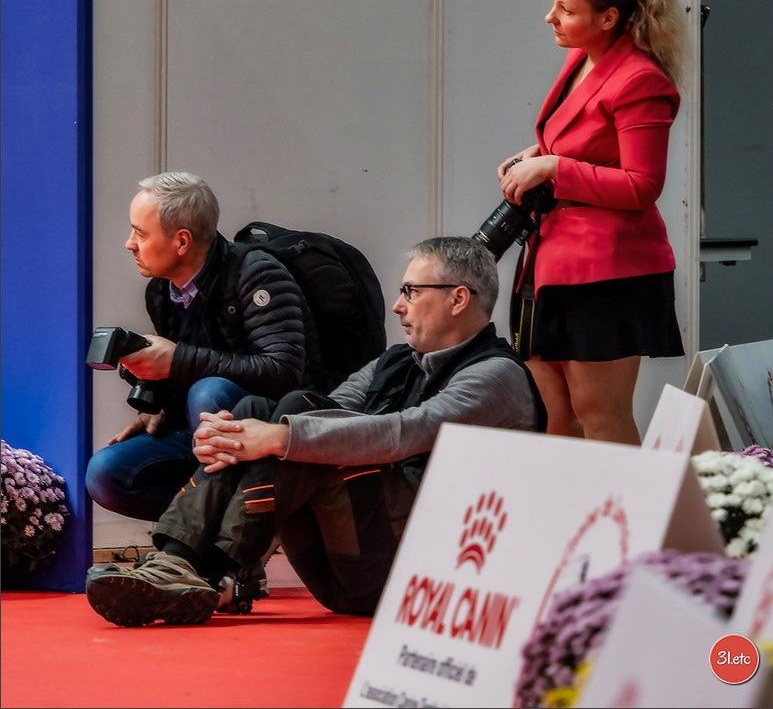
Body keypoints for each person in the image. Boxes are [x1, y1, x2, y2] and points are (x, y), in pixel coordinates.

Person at [84, 236, 545, 627]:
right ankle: (186, 565)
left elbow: (405, 432)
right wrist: (241, 433)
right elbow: (329, 410)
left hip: (421, 582)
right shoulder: (396, 362)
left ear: (458, 298)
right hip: (351, 569)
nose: (398, 305)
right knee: (267, 408)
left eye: (411, 290)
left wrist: (276, 438)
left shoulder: (495, 376)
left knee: (296, 423)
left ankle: (201, 570)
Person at [497, 0, 687, 446]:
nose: (550, 17)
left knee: (600, 416)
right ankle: (567, 519)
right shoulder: (581, 58)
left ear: (608, 18)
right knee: (555, 418)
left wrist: (556, 167)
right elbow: (587, 138)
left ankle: (630, 521)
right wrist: (539, 152)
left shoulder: (642, 80)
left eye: (565, 9)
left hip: (609, 271)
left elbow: (642, 185)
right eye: (553, 5)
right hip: (552, 260)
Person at [85, 172, 320, 525]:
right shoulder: (161, 291)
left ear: (182, 241)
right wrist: (160, 402)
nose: (129, 243)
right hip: (202, 434)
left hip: (273, 434)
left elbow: (283, 372)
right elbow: (191, 370)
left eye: (140, 233)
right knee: (105, 474)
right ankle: (215, 540)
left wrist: (177, 360)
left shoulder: (257, 274)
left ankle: (222, 549)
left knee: (209, 394)